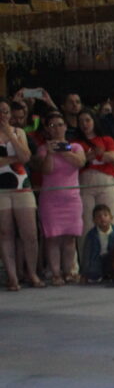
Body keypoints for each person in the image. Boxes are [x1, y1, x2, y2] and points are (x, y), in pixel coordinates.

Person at [34, 112, 87, 285]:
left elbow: (80, 162)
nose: (57, 128)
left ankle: (69, 271)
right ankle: (56, 273)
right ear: (48, 129)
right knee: (53, 237)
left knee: (70, 237)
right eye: (52, 125)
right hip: (51, 199)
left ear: (65, 127)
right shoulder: (42, 149)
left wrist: (63, 150)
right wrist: (50, 153)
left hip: (71, 198)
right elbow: (46, 170)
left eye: (60, 124)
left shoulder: (76, 146)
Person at [0, 98, 39, 291]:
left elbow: (25, 157)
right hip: (1, 189)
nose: (3, 116)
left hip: (22, 185)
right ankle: (13, 276)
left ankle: (31, 272)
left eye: (6, 112)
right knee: (5, 233)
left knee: (29, 233)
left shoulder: (19, 132)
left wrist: (10, 136)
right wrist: (14, 157)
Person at [76, 111, 114, 235]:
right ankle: (88, 253)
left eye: (87, 120)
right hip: (85, 181)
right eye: (81, 121)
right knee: (87, 222)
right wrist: (96, 153)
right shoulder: (75, 143)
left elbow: (112, 157)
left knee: (110, 218)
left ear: (95, 121)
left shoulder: (107, 139)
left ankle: (111, 252)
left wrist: (91, 156)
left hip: (106, 180)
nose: (84, 124)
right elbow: (78, 161)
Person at [81, 204, 114, 284]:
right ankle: (100, 275)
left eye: (105, 215)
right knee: (93, 273)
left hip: (113, 258)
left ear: (111, 218)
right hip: (97, 259)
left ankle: (109, 274)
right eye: (98, 216)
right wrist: (84, 274)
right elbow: (87, 254)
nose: (102, 218)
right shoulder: (91, 235)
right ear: (94, 220)